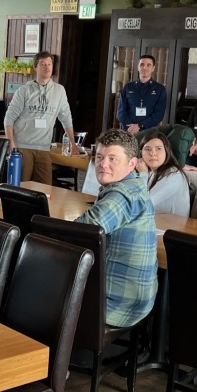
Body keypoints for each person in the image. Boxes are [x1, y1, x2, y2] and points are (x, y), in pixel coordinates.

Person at [74, 129, 157, 328]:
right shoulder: (132, 185)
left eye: (113, 158)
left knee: (33, 292)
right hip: (131, 296)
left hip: (119, 304)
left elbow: (80, 232)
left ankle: (47, 357)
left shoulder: (124, 194)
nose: (103, 164)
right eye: (100, 157)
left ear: (132, 164)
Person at [4, 51, 78, 184]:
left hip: (44, 148)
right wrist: (11, 142)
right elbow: (9, 118)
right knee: (21, 186)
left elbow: (66, 118)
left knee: (44, 189)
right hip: (23, 147)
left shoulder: (59, 91)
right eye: (43, 64)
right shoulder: (24, 91)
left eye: (49, 64)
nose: (47, 67)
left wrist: (73, 143)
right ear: (35, 67)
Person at [136, 130, 190, 217]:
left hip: (169, 228)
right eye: (147, 149)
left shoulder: (173, 174)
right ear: (141, 153)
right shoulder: (151, 172)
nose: (153, 153)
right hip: (153, 223)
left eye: (158, 149)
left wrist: (142, 174)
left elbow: (143, 205)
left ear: (166, 151)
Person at [117, 54, 167, 135]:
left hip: (149, 133)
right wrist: (131, 127)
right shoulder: (128, 87)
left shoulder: (160, 89)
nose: (144, 68)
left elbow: (159, 114)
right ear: (138, 67)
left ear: (153, 68)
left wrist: (140, 126)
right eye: (142, 64)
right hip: (128, 132)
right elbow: (120, 113)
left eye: (148, 65)